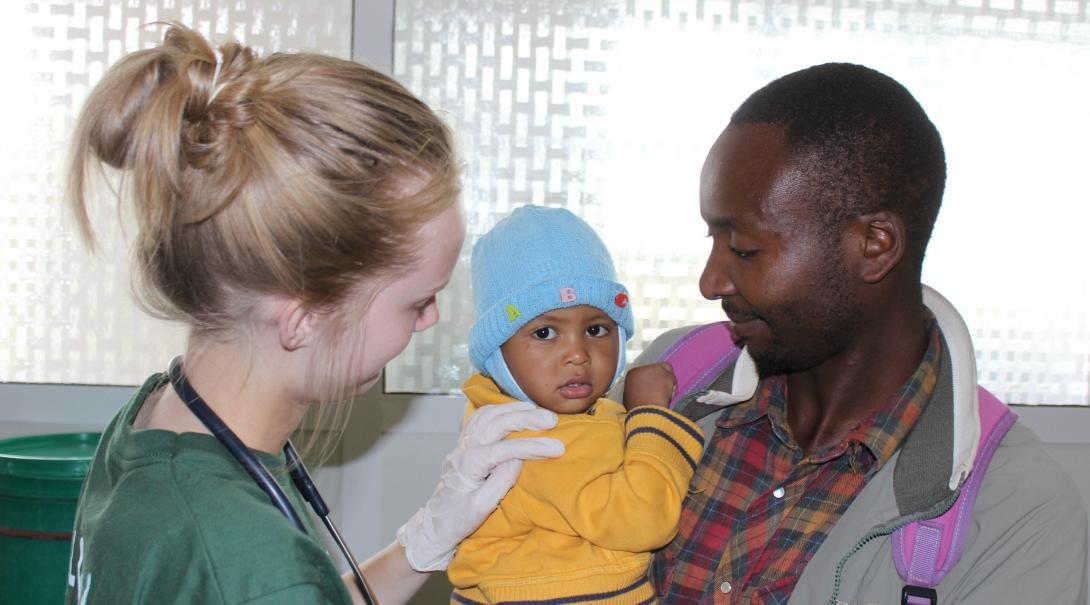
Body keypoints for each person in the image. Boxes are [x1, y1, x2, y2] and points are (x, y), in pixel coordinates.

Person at [64, 23, 565, 605]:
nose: (429, 320)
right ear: (304, 316)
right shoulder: (244, 558)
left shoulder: (155, 422)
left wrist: (427, 539)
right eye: (417, 300)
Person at [625, 62, 1088, 603]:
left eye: (745, 249)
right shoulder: (668, 382)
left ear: (875, 245)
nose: (710, 282)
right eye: (713, 237)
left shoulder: (1017, 515)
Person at [446, 205, 704, 603]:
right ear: (498, 353)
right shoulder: (533, 436)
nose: (578, 354)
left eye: (596, 329)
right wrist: (653, 417)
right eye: (545, 332)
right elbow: (640, 520)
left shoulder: (549, 414)